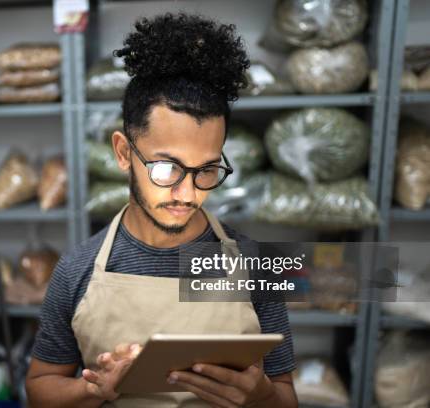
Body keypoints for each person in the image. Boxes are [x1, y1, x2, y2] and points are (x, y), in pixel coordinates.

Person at [26, 13, 297, 408]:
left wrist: (263, 396)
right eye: (166, 168)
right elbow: (39, 389)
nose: (186, 194)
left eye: (206, 170)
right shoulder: (76, 270)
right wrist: (93, 389)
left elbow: (286, 398)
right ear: (123, 152)